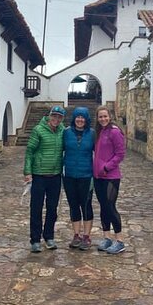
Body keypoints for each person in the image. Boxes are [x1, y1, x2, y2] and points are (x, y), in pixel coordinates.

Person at [24, 105, 66, 253]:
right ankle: (35, 239)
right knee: (36, 208)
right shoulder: (38, 130)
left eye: (59, 117)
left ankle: (49, 236)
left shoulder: (63, 131)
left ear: (62, 119)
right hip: (39, 175)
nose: (56, 119)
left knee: (52, 209)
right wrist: (27, 171)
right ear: (49, 116)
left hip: (55, 176)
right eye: (54, 116)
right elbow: (30, 151)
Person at [93, 106, 126, 254]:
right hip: (98, 176)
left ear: (110, 116)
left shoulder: (114, 131)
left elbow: (120, 154)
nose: (103, 119)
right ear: (97, 118)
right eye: (100, 117)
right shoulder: (99, 132)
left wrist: (107, 167)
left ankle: (119, 240)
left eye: (105, 116)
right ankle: (107, 237)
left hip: (111, 177)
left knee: (110, 206)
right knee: (103, 207)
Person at [62, 107, 95, 251]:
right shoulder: (66, 132)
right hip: (69, 175)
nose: (80, 120)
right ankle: (76, 235)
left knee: (86, 205)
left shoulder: (93, 134)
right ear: (74, 118)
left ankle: (86, 236)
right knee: (73, 205)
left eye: (83, 117)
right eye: (77, 117)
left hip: (86, 175)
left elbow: (100, 151)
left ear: (86, 119)